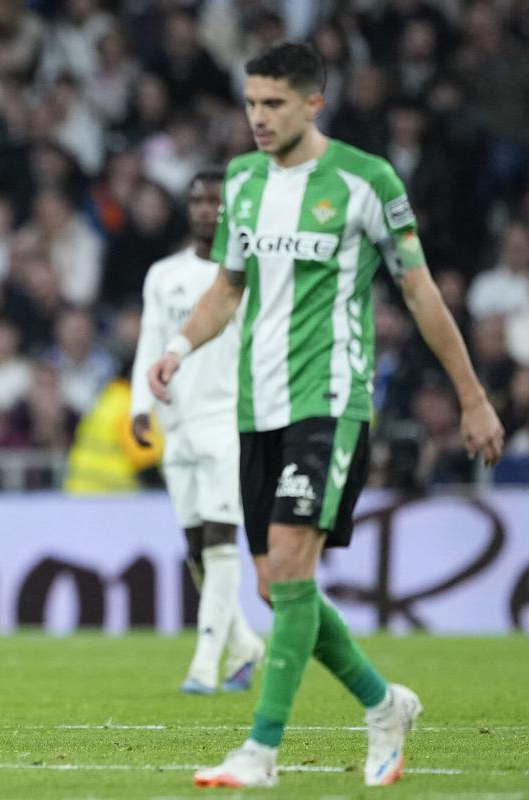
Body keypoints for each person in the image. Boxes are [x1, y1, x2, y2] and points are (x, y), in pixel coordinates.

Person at [147, 42, 504, 788]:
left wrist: (472, 397)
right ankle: (384, 703)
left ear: (315, 103)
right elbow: (226, 289)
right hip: (256, 409)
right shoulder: (242, 182)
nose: (257, 118)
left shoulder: (365, 181)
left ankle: (261, 752)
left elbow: (421, 293)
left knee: (289, 560)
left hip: (331, 401)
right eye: (250, 103)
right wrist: (178, 346)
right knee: (280, 587)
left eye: (273, 103)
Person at [130, 169, 266, 696]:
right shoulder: (165, 274)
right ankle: (245, 645)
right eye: (198, 201)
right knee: (195, 545)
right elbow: (151, 340)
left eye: (216, 201)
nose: (207, 209)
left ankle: (206, 662)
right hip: (178, 422)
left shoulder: (250, 274)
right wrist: (141, 406)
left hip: (230, 417)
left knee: (219, 536)